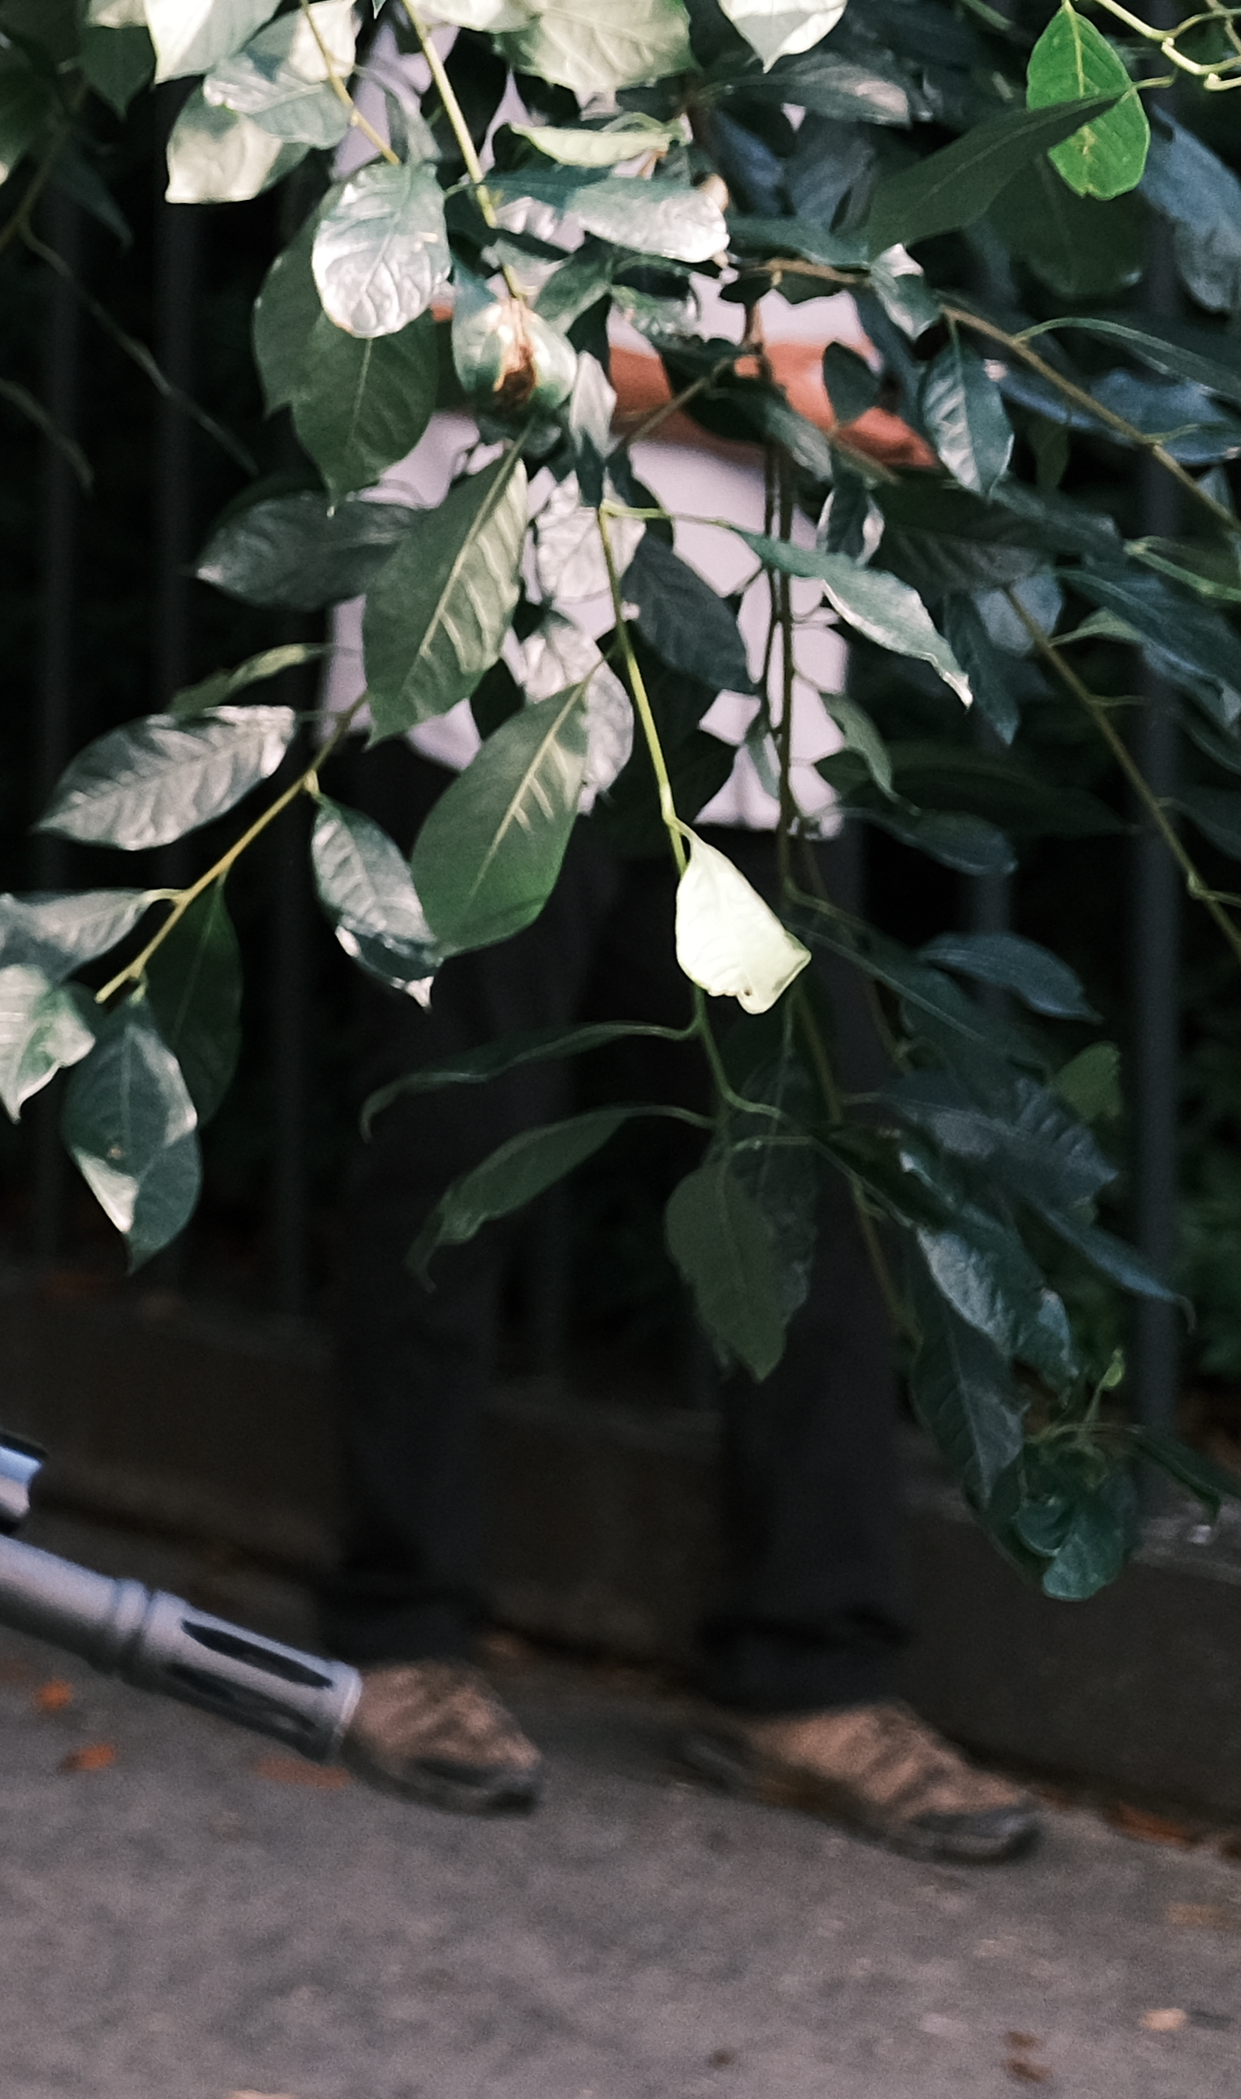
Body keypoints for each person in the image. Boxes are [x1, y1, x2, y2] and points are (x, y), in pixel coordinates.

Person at [319, 304, 1035, 1861]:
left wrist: (849, 419)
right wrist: (777, 408)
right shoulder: (450, 47)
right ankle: (397, 1636)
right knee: (450, 1158)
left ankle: (807, 1671)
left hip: (757, 729)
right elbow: (441, 326)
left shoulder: (823, 91)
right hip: (485, 698)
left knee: (806, 1189)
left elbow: (847, 365)